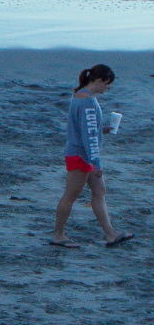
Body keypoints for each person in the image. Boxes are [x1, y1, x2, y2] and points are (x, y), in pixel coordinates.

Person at [52, 66, 131, 248]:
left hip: (81, 153)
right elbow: (88, 136)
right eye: (108, 84)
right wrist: (96, 163)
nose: (108, 88)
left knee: (99, 192)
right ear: (99, 81)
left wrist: (101, 129)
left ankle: (110, 234)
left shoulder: (80, 95)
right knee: (70, 195)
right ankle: (57, 235)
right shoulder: (87, 101)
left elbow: (84, 128)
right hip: (81, 156)